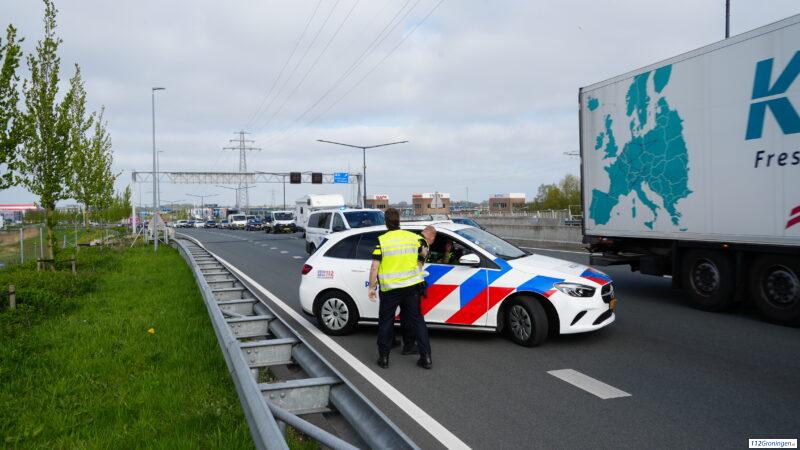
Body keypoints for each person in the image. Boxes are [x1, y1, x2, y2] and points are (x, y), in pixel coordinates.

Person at [368, 209, 433, 369]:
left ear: (386, 222)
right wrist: (419, 265)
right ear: (399, 221)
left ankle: (384, 358)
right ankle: (426, 358)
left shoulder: (382, 241)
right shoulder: (413, 238)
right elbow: (424, 250)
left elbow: (375, 266)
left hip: (390, 289)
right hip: (411, 287)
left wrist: (372, 287)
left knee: (386, 321)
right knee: (417, 320)